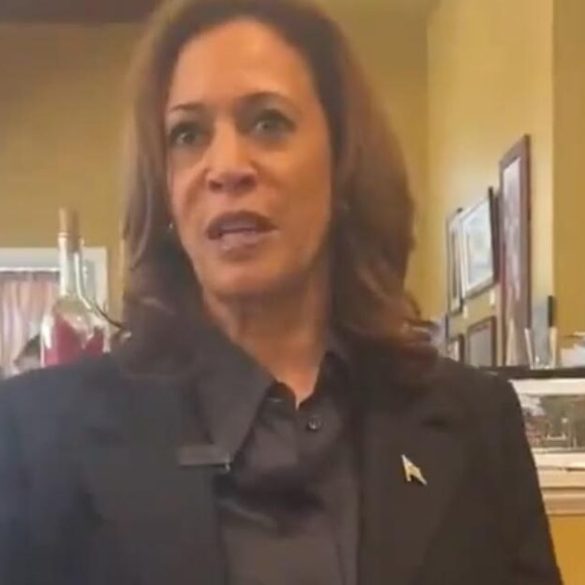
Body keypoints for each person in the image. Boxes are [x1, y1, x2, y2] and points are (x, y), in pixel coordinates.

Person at [0, 0, 562, 583]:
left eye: (267, 123)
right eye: (188, 134)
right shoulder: (37, 440)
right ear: (163, 188)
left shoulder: (476, 424)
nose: (225, 167)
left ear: (343, 163)